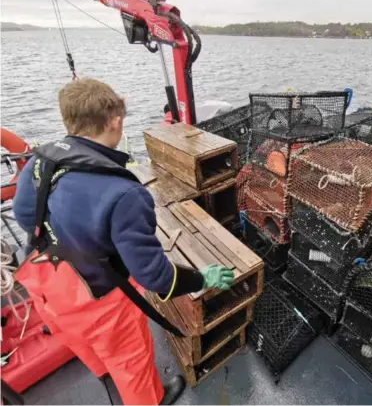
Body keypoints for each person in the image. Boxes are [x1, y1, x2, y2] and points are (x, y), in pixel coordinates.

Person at [12, 78, 234, 405]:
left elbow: (24, 216)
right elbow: (155, 278)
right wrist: (203, 278)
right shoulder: (125, 194)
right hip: (100, 301)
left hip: (48, 284)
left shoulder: (41, 160)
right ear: (115, 121)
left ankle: (104, 374)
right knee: (130, 360)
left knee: (83, 342)